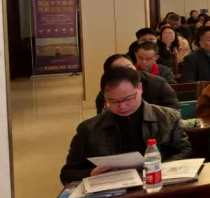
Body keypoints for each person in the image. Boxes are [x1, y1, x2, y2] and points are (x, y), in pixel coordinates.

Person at [61, 67, 192, 183]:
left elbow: (185, 151)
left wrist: (158, 167)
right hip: (111, 190)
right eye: (113, 101)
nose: (122, 106)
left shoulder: (168, 118)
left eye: (128, 99)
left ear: (140, 89)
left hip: (157, 183)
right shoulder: (88, 129)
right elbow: (68, 173)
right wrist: (90, 173)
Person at [93, 53, 180, 113]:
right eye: (119, 69)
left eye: (128, 67)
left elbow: (173, 112)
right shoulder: (106, 94)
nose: (126, 72)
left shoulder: (158, 83)